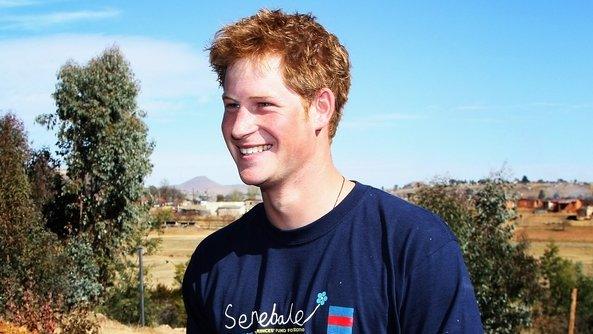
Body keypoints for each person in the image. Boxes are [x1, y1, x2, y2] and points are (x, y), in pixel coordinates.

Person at [183, 9, 483, 333]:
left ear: (320, 109)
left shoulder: (413, 247)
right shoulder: (212, 265)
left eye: (263, 105)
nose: (238, 127)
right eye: (231, 105)